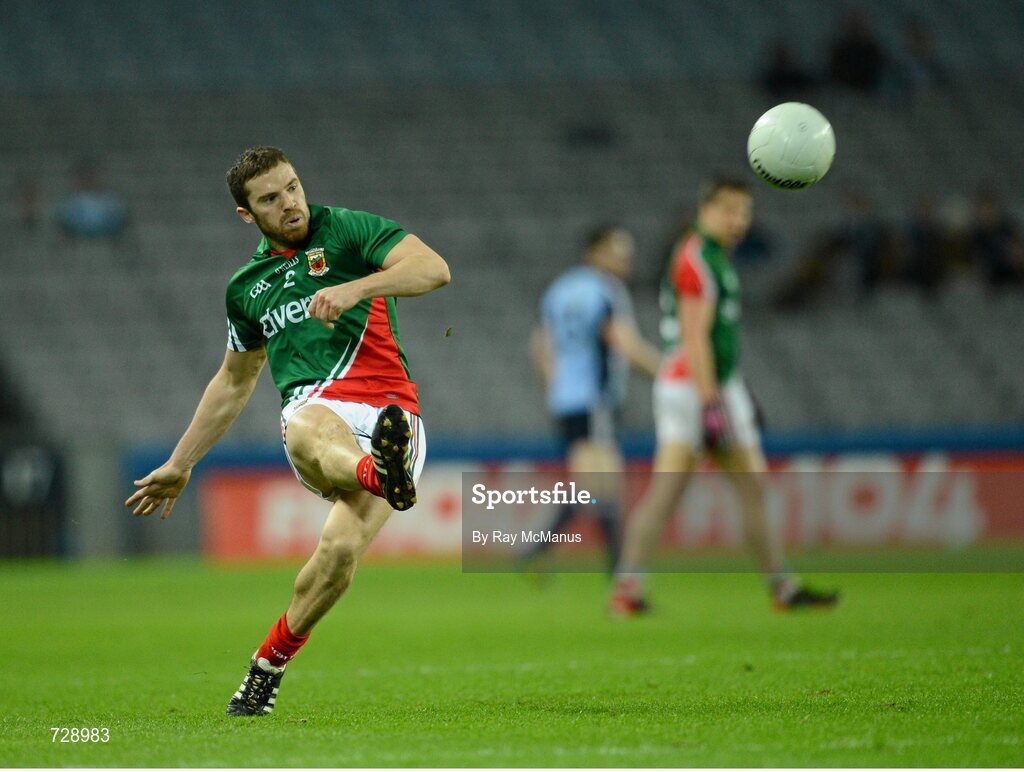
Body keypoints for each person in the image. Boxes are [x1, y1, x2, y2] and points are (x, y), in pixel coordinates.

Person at [124, 146, 450, 715]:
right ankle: (379, 474)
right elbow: (233, 380)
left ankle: (265, 669)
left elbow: (434, 269)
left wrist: (356, 288)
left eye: (293, 187)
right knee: (305, 422)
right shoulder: (246, 287)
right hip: (320, 414)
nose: (290, 203)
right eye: (271, 199)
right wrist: (181, 462)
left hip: (392, 414)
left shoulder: (348, 229)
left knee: (338, 555)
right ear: (246, 214)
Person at [609, 177, 838, 615]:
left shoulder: (709, 257)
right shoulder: (699, 259)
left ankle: (627, 587)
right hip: (698, 387)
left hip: (696, 385)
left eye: (744, 212)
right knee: (749, 488)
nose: (737, 220)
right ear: (705, 210)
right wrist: (713, 403)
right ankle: (782, 587)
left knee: (670, 493)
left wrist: (736, 390)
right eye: (728, 210)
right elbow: (695, 337)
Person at [527, 226, 661, 573]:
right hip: (596, 400)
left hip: (566, 401)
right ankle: (618, 569)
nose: (625, 259)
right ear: (594, 252)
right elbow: (625, 343)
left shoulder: (559, 289)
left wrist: (557, 386)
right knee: (604, 485)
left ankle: (542, 550)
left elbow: (540, 345)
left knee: (590, 485)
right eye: (617, 251)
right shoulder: (607, 290)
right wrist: (668, 372)